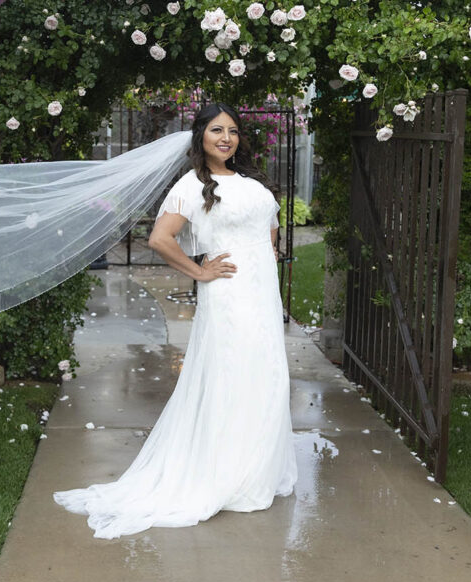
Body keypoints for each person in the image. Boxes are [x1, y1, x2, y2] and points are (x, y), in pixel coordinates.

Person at [53, 102, 298, 540]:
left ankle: (254, 468)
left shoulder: (250, 184)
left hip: (261, 293)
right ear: (200, 136)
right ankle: (223, 474)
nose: (227, 138)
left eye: (234, 131)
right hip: (227, 296)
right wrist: (201, 271)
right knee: (230, 379)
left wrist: (267, 253)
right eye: (217, 130)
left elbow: (270, 230)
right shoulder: (190, 185)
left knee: (266, 377)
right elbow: (160, 239)